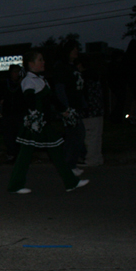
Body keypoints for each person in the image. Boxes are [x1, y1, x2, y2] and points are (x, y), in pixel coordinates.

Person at [7, 51, 89, 194]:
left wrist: (65, 111)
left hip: (43, 124)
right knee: (25, 156)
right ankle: (15, 185)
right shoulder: (29, 80)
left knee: (55, 152)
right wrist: (33, 114)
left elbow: (52, 99)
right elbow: (29, 98)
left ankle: (71, 182)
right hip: (35, 126)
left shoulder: (41, 80)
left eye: (43, 59)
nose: (43, 62)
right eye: (40, 60)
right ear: (31, 64)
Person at [51, 40, 86, 173]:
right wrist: (65, 108)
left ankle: (69, 165)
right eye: (73, 49)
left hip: (76, 107)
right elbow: (60, 89)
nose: (76, 51)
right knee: (75, 135)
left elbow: (78, 87)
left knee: (76, 136)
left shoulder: (73, 67)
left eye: (77, 48)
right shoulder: (61, 67)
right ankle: (68, 166)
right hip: (69, 108)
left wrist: (83, 104)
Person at [0, 64, 25, 161]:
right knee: (8, 135)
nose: (16, 74)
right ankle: (11, 153)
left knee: (19, 134)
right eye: (14, 72)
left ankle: (19, 154)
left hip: (19, 113)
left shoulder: (22, 83)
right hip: (8, 113)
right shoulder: (5, 83)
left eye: (17, 72)